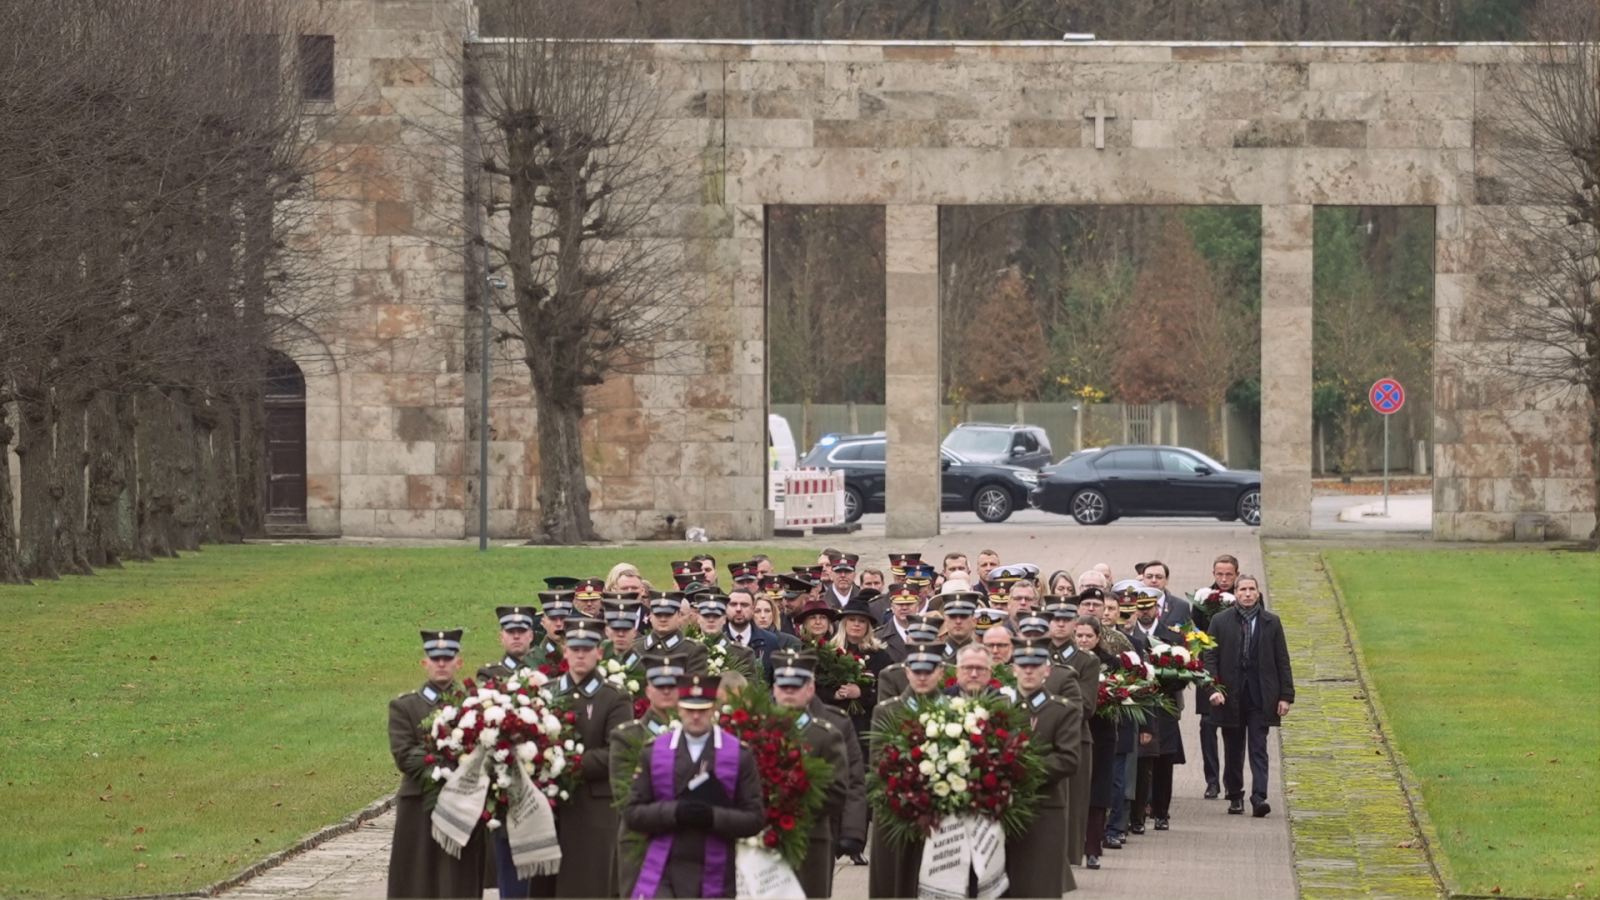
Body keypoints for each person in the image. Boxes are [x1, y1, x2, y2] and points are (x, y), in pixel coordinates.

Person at [622, 674, 765, 899]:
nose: (696, 716)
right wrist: (674, 812)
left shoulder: (739, 754)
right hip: (665, 868)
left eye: (703, 709)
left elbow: (755, 818)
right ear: (679, 708)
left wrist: (713, 816)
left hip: (717, 869)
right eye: (689, 709)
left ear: (714, 709)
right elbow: (632, 814)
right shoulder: (654, 752)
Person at [387, 629, 486, 900]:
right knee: (418, 881)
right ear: (425, 663)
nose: (441, 663)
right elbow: (405, 757)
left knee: (458, 881)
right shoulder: (404, 706)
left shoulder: (474, 706)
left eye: (447, 657)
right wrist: (452, 754)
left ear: (458, 662)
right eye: (435, 658)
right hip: (419, 804)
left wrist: (443, 755)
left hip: (463, 806)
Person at [547, 618, 633, 899]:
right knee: (544, 884)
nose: (580, 654)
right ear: (565, 651)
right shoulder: (546, 693)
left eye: (587, 648)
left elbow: (617, 753)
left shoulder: (614, 697)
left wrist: (567, 764)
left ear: (599, 652)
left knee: (590, 884)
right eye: (574, 647)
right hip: (548, 807)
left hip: (593, 807)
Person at [1203, 575, 1295, 818]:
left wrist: (1285, 696)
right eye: (1242, 589)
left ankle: (1259, 797)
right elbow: (1209, 658)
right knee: (1233, 748)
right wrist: (1212, 689)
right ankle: (1235, 795)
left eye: (1251, 589)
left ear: (1258, 593)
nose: (1247, 594)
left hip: (1260, 695)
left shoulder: (1271, 622)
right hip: (1230, 696)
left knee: (1259, 747)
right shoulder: (1220, 621)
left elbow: (1281, 660)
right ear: (1235, 592)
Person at [1002, 638, 1081, 897]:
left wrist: (1022, 768)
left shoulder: (1061, 710)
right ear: (1013, 669)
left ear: (1047, 670)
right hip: (1002, 809)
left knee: (1040, 886)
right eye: (1022, 664)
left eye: (1035, 665)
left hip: (1044, 810)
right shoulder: (1000, 708)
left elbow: (1068, 759)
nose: (1028, 670)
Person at [867, 642, 946, 899]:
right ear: (907, 672)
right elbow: (879, 762)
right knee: (893, 884)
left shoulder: (953, 711)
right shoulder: (886, 711)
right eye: (916, 670)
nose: (922, 676)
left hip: (940, 811)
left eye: (928, 670)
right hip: (895, 809)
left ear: (940, 672)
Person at [770, 650, 852, 898]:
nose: (789, 692)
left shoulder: (826, 734)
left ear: (810, 688)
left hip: (811, 837)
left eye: (797, 686)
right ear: (774, 688)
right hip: (766, 836)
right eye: (784, 686)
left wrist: (793, 805)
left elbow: (837, 790)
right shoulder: (758, 730)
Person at [609, 653, 685, 898]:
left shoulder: (698, 736)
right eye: (659, 686)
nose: (666, 692)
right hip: (641, 844)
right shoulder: (627, 737)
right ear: (648, 689)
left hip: (689, 847)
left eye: (672, 686)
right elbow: (625, 798)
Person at [1126, 586, 1186, 834]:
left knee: (1164, 761)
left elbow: (1185, 675)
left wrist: (1169, 676)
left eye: (1149, 607)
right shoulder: (1128, 638)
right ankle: (1138, 816)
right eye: (1140, 609)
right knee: (1142, 763)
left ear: (1157, 610)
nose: (1144, 613)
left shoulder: (1172, 636)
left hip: (1165, 706)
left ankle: (1162, 813)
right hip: (1140, 707)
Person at [1074, 617, 1118, 870]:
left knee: (1098, 790)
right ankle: (1072, 845)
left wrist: (1107, 695)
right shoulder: (1066, 662)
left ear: (1098, 638)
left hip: (1101, 733)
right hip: (1073, 731)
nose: (1083, 640)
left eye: (1088, 636)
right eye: (1079, 635)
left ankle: (1092, 848)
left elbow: (1124, 691)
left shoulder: (1110, 664)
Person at [1196, 554, 1241, 797]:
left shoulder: (1245, 596)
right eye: (1219, 574)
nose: (1223, 579)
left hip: (1236, 673)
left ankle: (1232, 782)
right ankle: (1211, 780)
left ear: (1236, 574)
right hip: (1209, 669)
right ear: (1213, 574)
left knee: (1233, 729)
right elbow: (1193, 632)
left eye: (1228, 574)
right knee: (1206, 724)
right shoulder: (1203, 598)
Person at [828, 598, 895, 735]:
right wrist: (833, 694)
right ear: (844, 623)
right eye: (852, 619)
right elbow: (815, 688)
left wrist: (862, 693)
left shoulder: (880, 655)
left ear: (868, 626)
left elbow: (889, 690)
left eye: (862, 621)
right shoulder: (828, 653)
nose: (856, 624)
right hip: (834, 723)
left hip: (867, 725)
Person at [723, 586, 797, 680]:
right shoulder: (717, 640)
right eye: (733, 604)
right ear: (726, 607)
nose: (738, 609)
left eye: (744, 605)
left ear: (752, 609)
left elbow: (775, 682)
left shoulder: (770, 641)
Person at [873, 614, 941, 703]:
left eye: (927, 641)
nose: (921, 645)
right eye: (916, 640)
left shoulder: (950, 671)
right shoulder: (891, 675)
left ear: (937, 642)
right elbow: (886, 713)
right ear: (907, 640)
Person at [693, 594, 760, 681]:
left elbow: (750, 690)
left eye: (716, 616)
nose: (711, 620)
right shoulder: (689, 649)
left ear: (724, 619)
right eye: (706, 616)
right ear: (698, 618)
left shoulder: (742, 654)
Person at [641, 592, 709, 675]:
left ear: (679, 616)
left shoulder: (693, 650)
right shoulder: (636, 648)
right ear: (650, 616)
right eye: (658, 614)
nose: (663, 619)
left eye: (668, 615)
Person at [477, 606, 537, 682]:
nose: (516, 636)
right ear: (501, 637)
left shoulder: (543, 669)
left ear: (531, 636)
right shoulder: (489, 674)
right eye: (510, 631)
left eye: (521, 631)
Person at [873, 583, 921, 662]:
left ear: (918, 607)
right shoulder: (878, 638)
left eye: (909, 604)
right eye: (900, 604)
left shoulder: (929, 634)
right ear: (892, 607)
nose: (904, 608)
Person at [1139, 561, 1192, 628]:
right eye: (1149, 577)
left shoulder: (1181, 606)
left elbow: (1189, 633)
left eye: (1159, 577)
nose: (1154, 580)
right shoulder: (1134, 604)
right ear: (1143, 579)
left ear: (1167, 580)